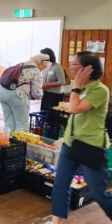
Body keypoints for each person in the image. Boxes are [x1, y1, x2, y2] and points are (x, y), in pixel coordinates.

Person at [46, 52, 112, 224]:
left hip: (91, 147)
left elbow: (74, 108)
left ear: (87, 69)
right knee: (60, 185)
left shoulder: (100, 90)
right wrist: (78, 87)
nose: (71, 66)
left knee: (98, 193)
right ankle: (55, 222)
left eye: (74, 63)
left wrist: (76, 86)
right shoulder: (82, 88)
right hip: (71, 144)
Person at [0, 53, 49, 133]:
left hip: (3, 93)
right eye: (43, 68)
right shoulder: (36, 71)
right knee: (21, 124)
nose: (42, 70)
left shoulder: (20, 64)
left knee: (8, 124)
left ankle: (5, 143)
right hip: (18, 96)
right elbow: (37, 93)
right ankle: (17, 145)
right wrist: (41, 96)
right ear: (41, 63)